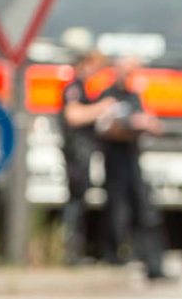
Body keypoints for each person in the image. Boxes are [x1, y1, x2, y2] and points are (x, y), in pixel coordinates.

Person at [96, 56, 167, 280]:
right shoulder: (107, 96)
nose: (128, 75)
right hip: (113, 159)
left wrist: (142, 123)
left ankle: (154, 266)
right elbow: (107, 126)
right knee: (116, 210)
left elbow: (147, 122)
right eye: (125, 70)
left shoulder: (134, 95)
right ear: (116, 70)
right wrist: (131, 123)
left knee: (145, 210)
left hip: (132, 158)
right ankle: (113, 258)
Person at [60, 49, 113, 265]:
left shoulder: (83, 87)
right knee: (75, 201)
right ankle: (71, 253)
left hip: (82, 150)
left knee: (81, 200)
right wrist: (102, 108)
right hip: (76, 151)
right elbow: (73, 116)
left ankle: (77, 252)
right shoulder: (74, 87)